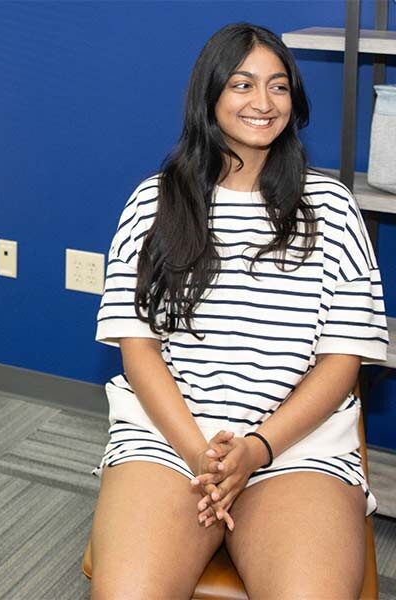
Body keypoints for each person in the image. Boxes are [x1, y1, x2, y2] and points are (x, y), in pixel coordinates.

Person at [90, 23, 388, 599]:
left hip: (296, 446)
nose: (262, 102)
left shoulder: (331, 208)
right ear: (210, 96)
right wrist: (202, 453)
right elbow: (139, 349)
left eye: (278, 87)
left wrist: (257, 448)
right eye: (242, 83)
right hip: (172, 440)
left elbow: (340, 363)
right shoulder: (154, 201)